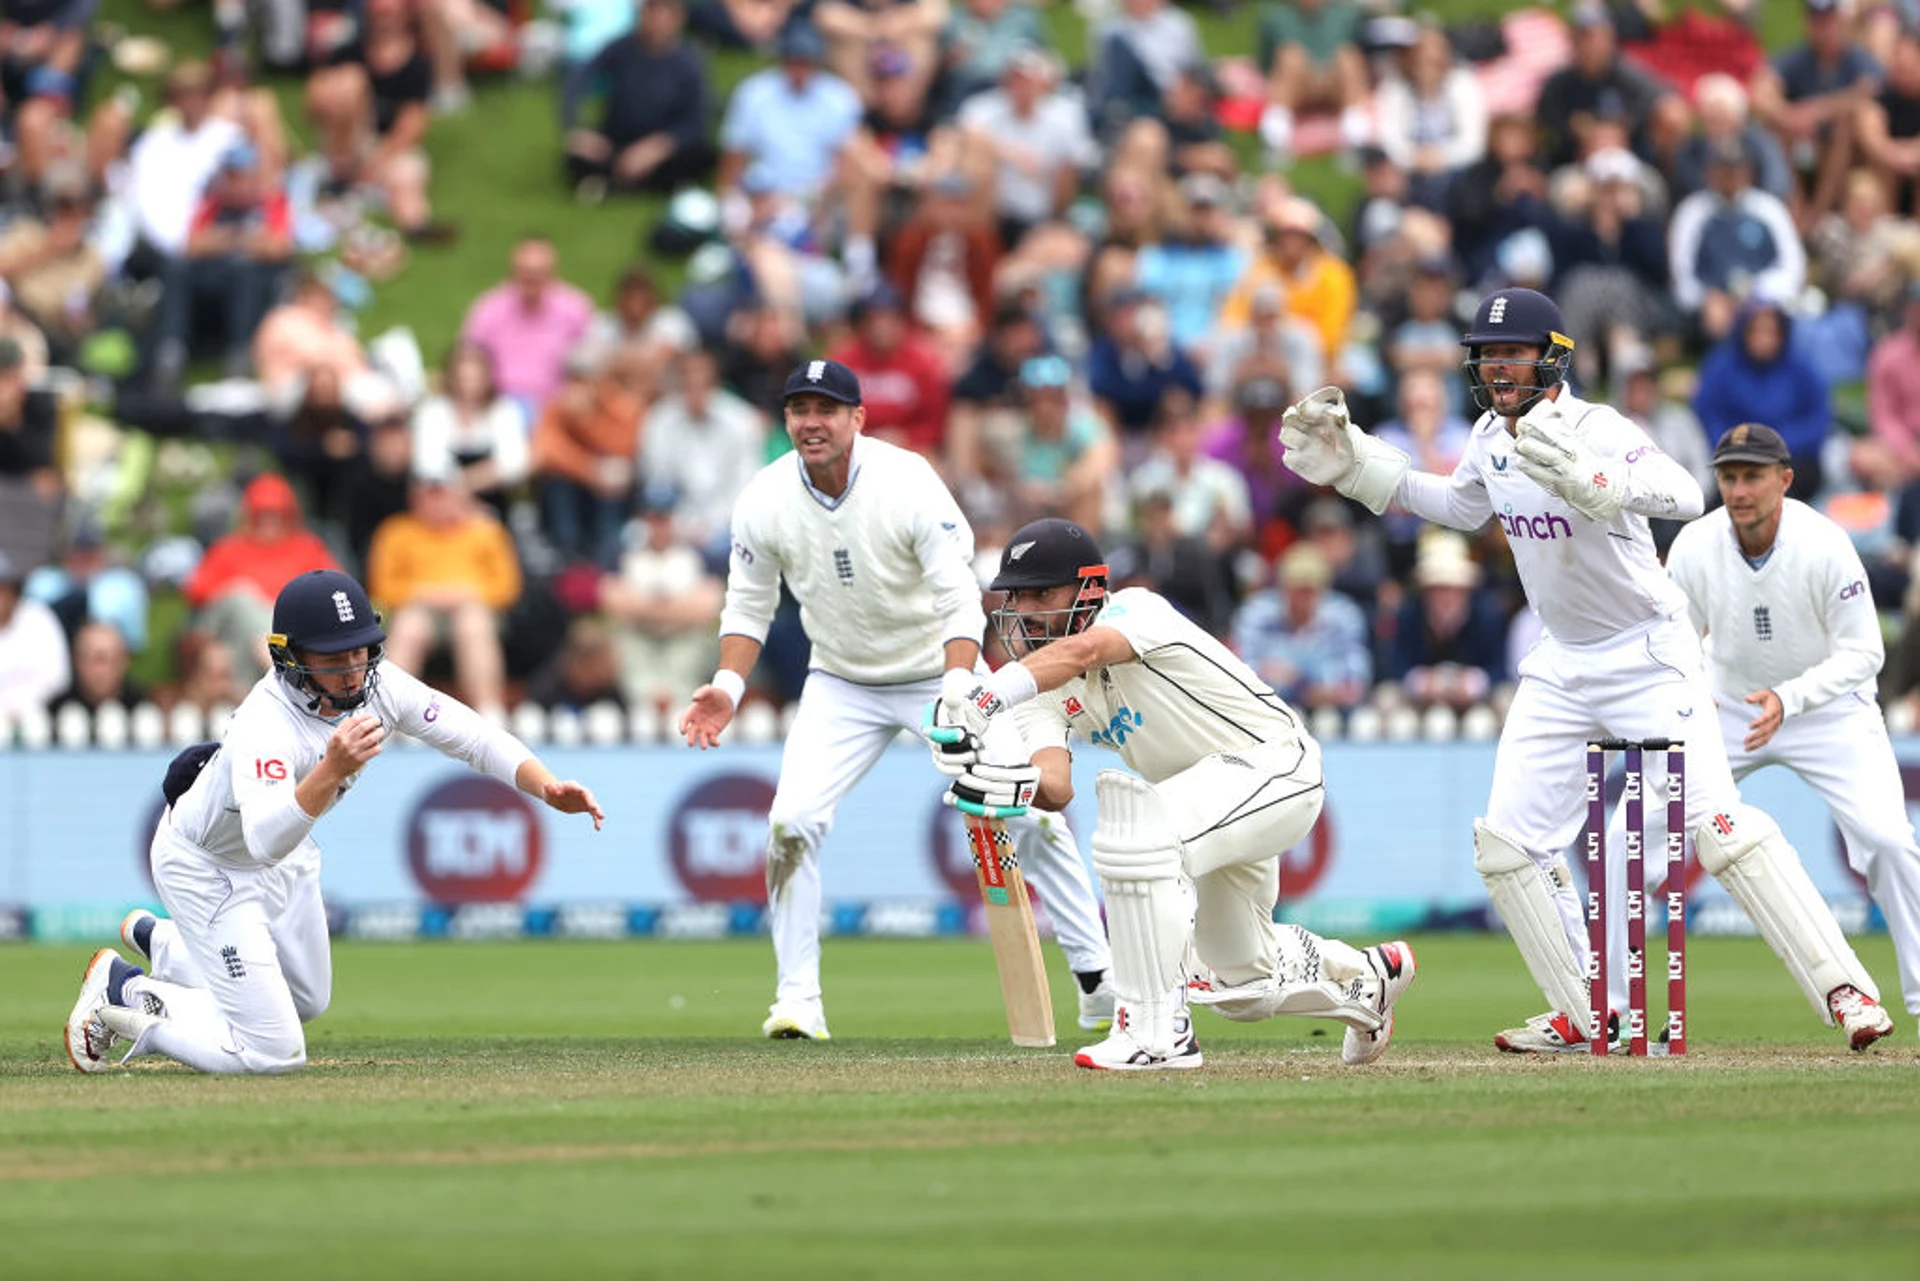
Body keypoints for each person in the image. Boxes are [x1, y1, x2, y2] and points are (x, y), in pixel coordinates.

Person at [1275, 285, 1895, 1052]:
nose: (1499, 369)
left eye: (1514, 354)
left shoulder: (1598, 426)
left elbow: (1681, 489)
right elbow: (1461, 506)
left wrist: (1602, 483)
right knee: (1507, 844)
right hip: (1563, 662)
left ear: (1553, 358)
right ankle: (1587, 1007)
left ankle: (1848, 994)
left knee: (1722, 829)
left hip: (1649, 652)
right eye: (1488, 356)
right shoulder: (1488, 437)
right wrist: (1360, 467)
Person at [676, 359, 1113, 1041]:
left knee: (1032, 811)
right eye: (799, 410)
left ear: (858, 418)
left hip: (939, 672)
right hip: (841, 681)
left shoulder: (907, 481)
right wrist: (728, 686)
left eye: (826, 409)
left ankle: (1095, 978)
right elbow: (748, 603)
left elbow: (958, 598)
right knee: (790, 822)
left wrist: (960, 688)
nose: (811, 423)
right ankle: (798, 1001)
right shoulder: (763, 498)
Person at [62, 569, 605, 1074]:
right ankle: (125, 995)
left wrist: (545, 785)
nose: (351, 672)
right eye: (332, 658)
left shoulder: (378, 683)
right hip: (209, 868)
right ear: (290, 657)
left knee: (307, 1000)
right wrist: (333, 768)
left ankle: (165, 945)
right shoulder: (264, 723)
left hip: (287, 856)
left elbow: (472, 736)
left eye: (359, 651)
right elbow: (264, 838)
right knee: (273, 1052)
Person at [924, 516, 1416, 1070]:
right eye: (1017, 596)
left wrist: (985, 698)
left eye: (1042, 593)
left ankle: (1157, 1032)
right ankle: (1368, 976)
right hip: (1207, 805)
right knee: (1244, 982)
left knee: (1142, 833)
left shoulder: (1134, 611)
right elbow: (1056, 786)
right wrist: (1009, 784)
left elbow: (1084, 653)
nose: (1027, 609)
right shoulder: (1040, 688)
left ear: (1089, 589)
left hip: (1277, 768)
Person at [1638, 422, 1918, 1032]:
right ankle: (1601, 999)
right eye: (1730, 477)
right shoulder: (1694, 544)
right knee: (1639, 831)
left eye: (1753, 477)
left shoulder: (1825, 544)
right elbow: (1676, 638)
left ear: (1784, 480)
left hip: (1828, 708)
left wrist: (1789, 699)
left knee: (1891, 843)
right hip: (1729, 706)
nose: (1740, 491)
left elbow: (1865, 653)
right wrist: (1692, 694)